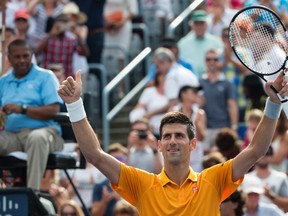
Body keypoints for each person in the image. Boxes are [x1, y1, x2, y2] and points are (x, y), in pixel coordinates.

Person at [57, 68, 288, 215]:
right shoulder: (142, 184)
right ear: (159, 145)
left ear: (193, 144)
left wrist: (274, 103)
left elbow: (256, 150)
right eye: (166, 136)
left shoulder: (213, 180)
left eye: (179, 135)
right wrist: (74, 105)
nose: (172, 141)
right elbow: (94, 155)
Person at [0, 39, 64, 190]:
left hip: (45, 132)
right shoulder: (3, 81)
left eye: (25, 56)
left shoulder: (46, 77)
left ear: (31, 55)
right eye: (17, 57)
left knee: (37, 138)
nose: (22, 60)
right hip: (12, 135)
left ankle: (32, 196)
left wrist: (22, 109)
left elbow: (53, 111)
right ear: (9, 58)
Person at [199, 49, 238, 150]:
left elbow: (232, 105)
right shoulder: (199, 82)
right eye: (208, 59)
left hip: (222, 127)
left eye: (215, 59)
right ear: (205, 62)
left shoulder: (227, 83)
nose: (212, 62)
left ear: (220, 61)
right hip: (205, 129)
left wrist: (234, 127)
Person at [178, 9, 223, 78]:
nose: (199, 26)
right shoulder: (182, 43)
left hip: (211, 80)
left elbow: (221, 62)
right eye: (196, 23)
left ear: (206, 25)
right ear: (192, 25)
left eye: (201, 23)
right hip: (190, 81)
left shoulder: (216, 42)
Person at [246, 146, 288, 212]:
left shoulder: (281, 178)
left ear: (272, 156)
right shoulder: (246, 178)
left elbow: (287, 204)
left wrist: (271, 196)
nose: (263, 156)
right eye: (261, 153)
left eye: (267, 153)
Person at [91, 143, 128, 216]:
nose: (118, 163)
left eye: (121, 159)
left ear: (125, 161)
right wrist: (104, 201)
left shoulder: (133, 184)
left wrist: (119, 199)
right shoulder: (99, 186)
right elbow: (95, 214)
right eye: (114, 160)